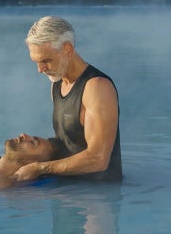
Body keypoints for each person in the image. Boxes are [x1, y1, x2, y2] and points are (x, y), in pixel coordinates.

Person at [12, 15, 122, 183]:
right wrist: (28, 149)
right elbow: (68, 142)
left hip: (97, 197)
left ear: (67, 50)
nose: (40, 69)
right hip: (67, 189)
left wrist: (40, 168)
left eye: (46, 61)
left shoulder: (97, 87)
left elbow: (99, 159)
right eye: (36, 62)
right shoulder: (57, 83)